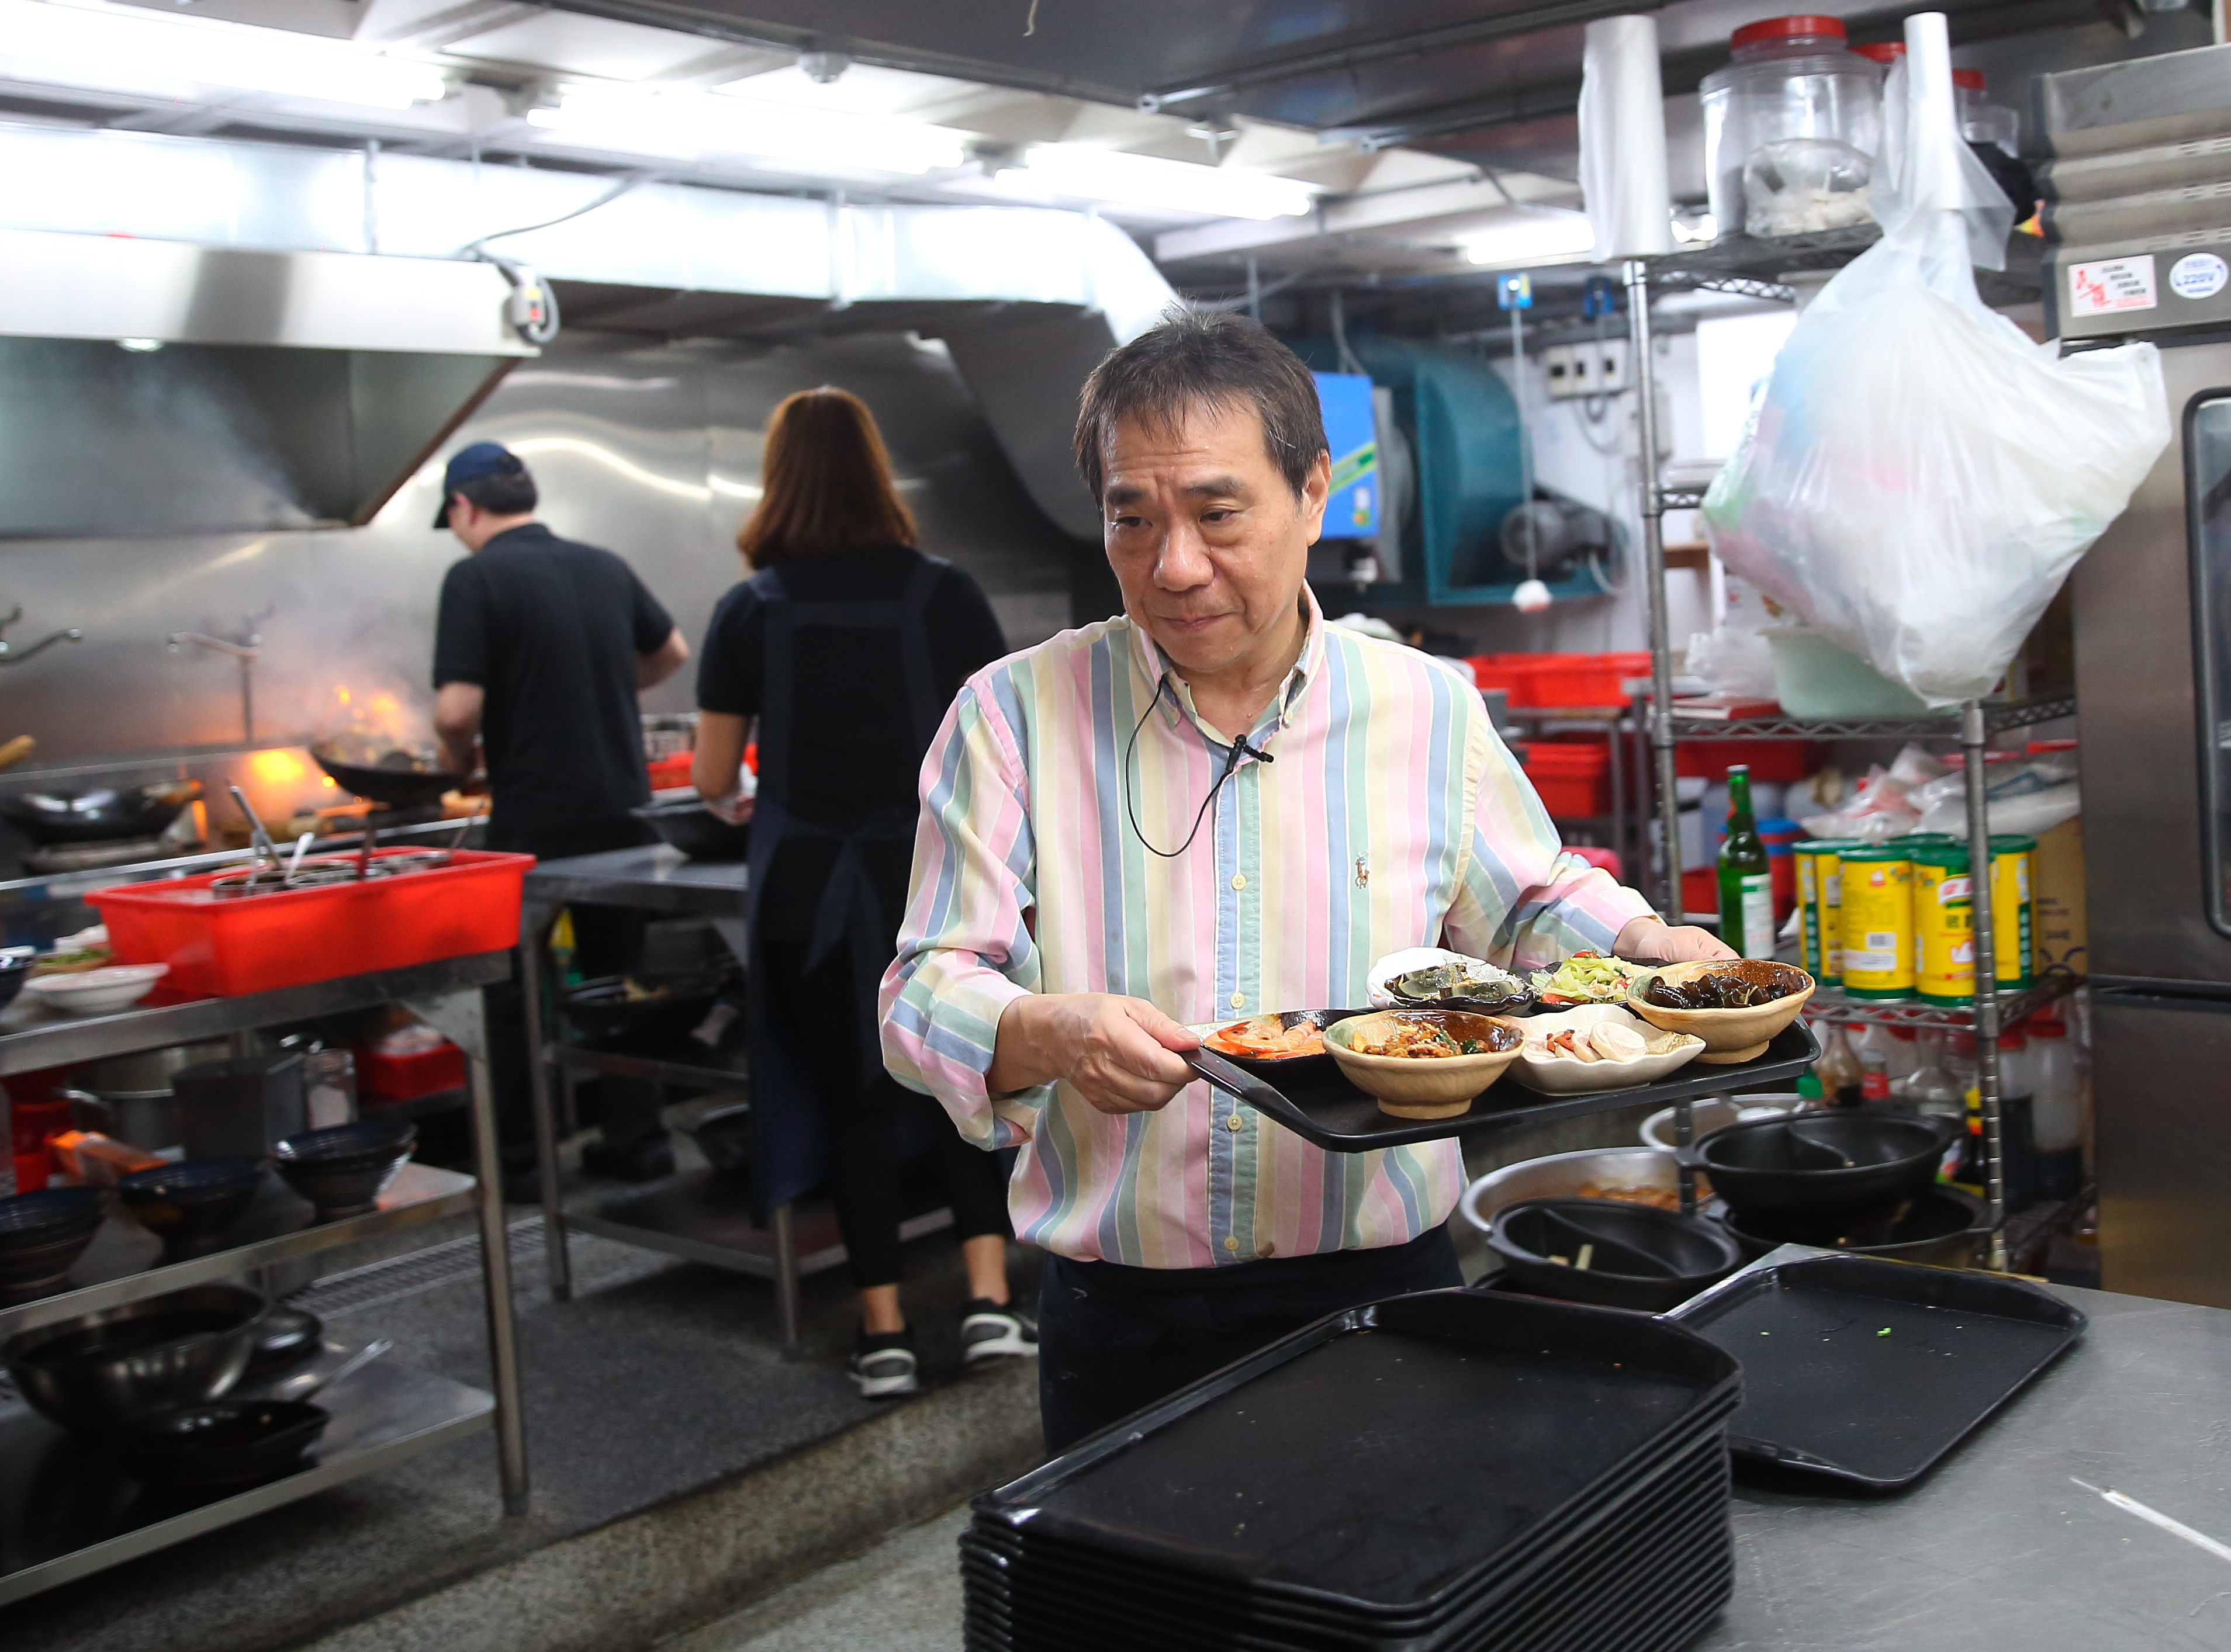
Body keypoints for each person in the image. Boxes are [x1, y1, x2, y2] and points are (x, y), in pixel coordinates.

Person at [879, 313, 1732, 1452]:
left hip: (1386, 1287)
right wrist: (1041, 1027)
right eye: (1130, 519)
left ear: (1312, 489)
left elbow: (1526, 905)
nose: (1172, 564)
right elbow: (922, 987)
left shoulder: (1424, 706)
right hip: (1123, 1312)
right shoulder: (1011, 715)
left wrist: (1638, 942)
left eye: (1216, 513)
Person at [693, 389, 1031, 1400]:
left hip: (808, 894)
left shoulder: (748, 609)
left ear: (778, 479)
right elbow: (998, 746)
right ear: (880, 473)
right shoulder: (947, 594)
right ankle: (988, 1304)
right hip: (938, 883)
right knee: (964, 1076)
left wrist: (756, 795)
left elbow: (713, 777)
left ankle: (882, 1329)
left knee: (851, 1095)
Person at [430, 440, 691, 1190]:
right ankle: (638, 1141)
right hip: (621, 811)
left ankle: (522, 1163)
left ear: (463, 508)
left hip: (534, 822)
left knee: (515, 992)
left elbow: (457, 708)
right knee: (619, 985)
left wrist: (457, 761)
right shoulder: (602, 565)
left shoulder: (474, 577)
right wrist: (604, 684)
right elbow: (669, 650)